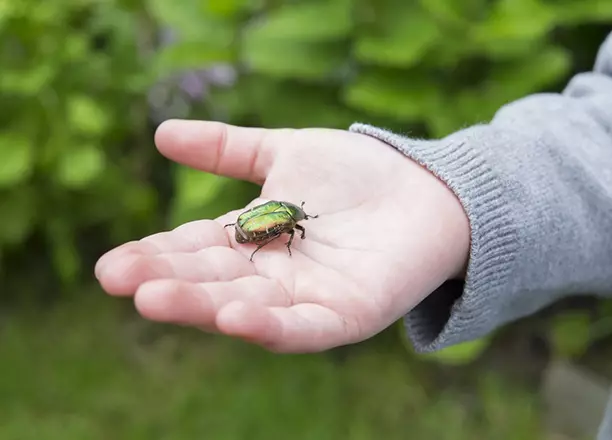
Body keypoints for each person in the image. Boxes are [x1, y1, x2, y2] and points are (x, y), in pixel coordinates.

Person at [95, 32, 612, 438]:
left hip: (255, 225)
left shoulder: (286, 220)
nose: (296, 229)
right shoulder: (288, 221)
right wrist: (458, 197)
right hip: (257, 225)